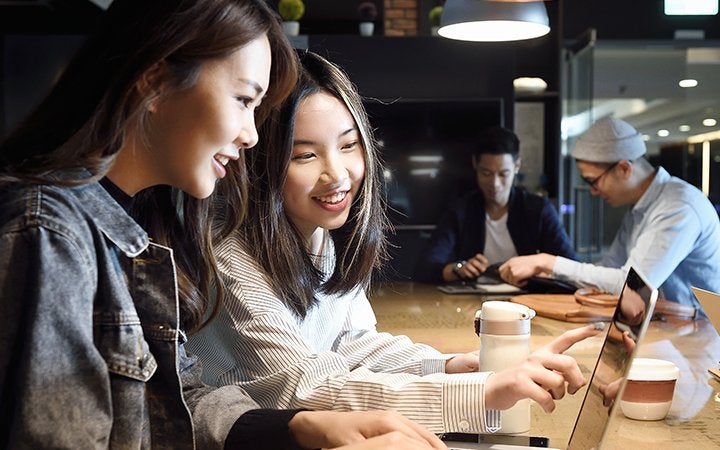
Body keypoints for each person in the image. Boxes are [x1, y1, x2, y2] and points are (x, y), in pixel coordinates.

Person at [0, 1, 447, 449]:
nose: (252, 135)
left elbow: (170, 404)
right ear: (154, 81)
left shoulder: (144, 221)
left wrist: (294, 428)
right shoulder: (48, 232)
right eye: (244, 100)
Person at [187, 50, 600, 435]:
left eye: (348, 145)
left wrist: (454, 366)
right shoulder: (231, 255)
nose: (339, 175)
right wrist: (483, 392)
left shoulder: (320, 234)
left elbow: (352, 343)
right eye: (304, 155)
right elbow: (303, 388)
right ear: (260, 159)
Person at [498, 116, 720, 310]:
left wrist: (549, 262)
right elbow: (609, 270)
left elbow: (631, 286)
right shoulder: (640, 207)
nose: (593, 192)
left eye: (592, 181)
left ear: (624, 168)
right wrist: (547, 276)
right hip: (668, 329)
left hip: (702, 336)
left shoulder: (678, 207)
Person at [413, 126, 576, 284]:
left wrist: (538, 268)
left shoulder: (538, 209)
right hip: (472, 301)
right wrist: (458, 268)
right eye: (486, 173)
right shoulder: (461, 209)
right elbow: (424, 268)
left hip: (526, 301)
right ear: (475, 165)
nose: (495, 183)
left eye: (503, 174)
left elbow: (570, 267)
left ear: (516, 166)